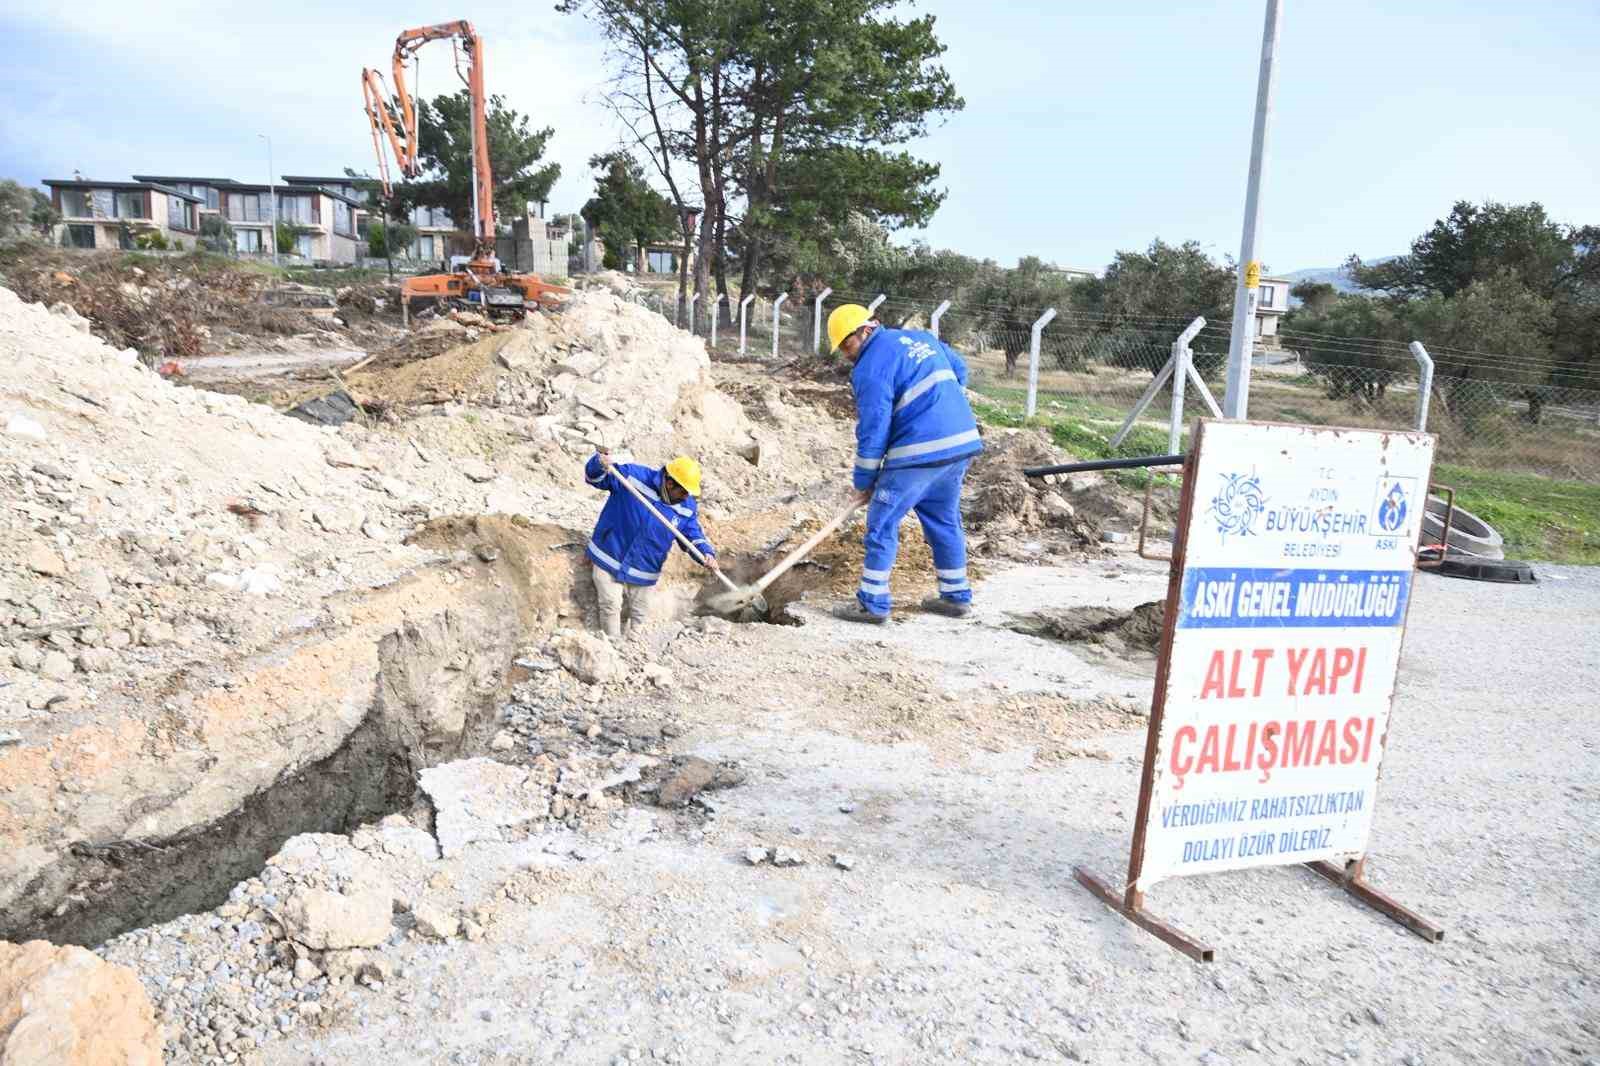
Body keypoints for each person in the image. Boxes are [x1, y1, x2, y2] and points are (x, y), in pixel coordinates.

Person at [826, 304, 982, 624]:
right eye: (840, 347)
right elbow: (960, 371)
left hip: (921, 450)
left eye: (847, 343)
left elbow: (874, 429)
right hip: (961, 442)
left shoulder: (869, 368)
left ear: (867, 329)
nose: (845, 353)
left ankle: (872, 604)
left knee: (882, 522)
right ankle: (956, 597)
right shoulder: (921, 338)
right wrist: (938, 405)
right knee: (943, 518)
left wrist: (864, 480)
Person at [583, 448, 721, 639]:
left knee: (640, 613)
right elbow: (594, 479)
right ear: (670, 482)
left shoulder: (686, 506)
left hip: (645, 567)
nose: (686, 496)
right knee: (610, 605)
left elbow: (691, 533)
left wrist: (705, 552)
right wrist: (599, 464)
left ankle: (635, 647)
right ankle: (612, 644)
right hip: (609, 553)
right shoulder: (633, 477)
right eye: (683, 491)